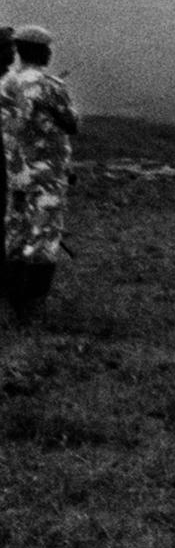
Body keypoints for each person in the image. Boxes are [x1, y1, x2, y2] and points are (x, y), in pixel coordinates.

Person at [0, 25, 78, 326]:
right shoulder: (50, 84)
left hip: (16, 173)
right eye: (47, 49)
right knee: (44, 237)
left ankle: (9, 305)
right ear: (43, 52)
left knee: (16, 236)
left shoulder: (6, 82)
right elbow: (72, 124)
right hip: (46, 175)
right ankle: (32, 309)